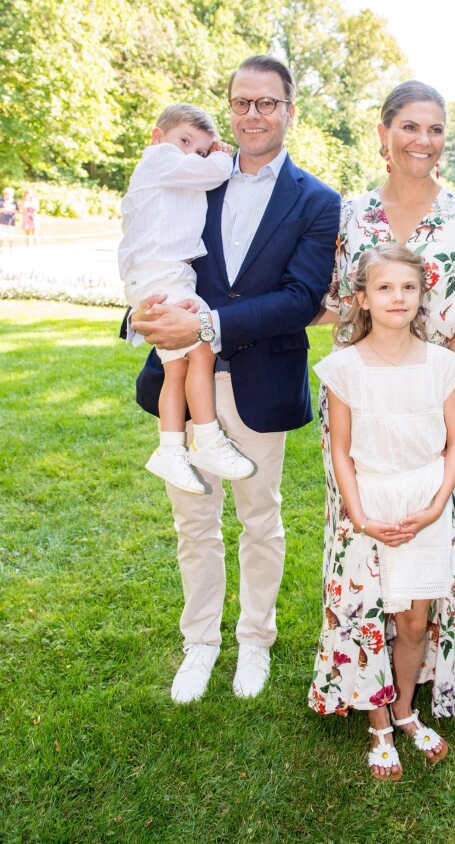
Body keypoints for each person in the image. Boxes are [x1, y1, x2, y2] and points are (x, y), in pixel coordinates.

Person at [129, 56, 341, 702]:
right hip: (182, 380)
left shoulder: (316, 199)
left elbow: (304, 296)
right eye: (242, 102)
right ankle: (200, 643)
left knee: (258, 516)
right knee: (193, 520)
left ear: (289, 111)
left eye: (268, 103)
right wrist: (139, 314)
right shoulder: (199, 175)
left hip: (259, 379)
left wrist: (209, 327)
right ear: (230, 108)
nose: (254, 114)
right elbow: (152, 248)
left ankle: (255, 640)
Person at [308, 81, 455, 745]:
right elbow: (330, 299)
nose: (423, 140)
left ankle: (415, 682)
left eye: (435, 128)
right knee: (363, 545)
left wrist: (442, 398)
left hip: (429, 406)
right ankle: (365, 688)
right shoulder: (349, 215)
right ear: (383, 133)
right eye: (409, 126)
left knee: (421, 540)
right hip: (360, 406)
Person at [312, 243, 455, 779]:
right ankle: (378, 721)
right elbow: (340, 450)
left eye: (407, 287)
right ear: (362, 298)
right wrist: (357, 516)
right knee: (368, 618)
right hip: (369, 506)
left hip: (424, 504)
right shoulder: (344, 368)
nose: (397, 297)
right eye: (384, 287)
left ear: (422, 295)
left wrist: (435, 506)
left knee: (412, 619)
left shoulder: (443, 364)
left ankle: (404, 708)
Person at [119, 103, 255, 495]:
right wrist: (218, 154)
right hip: (160, 271)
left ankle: (171, 449)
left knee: (179, 366)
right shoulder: (160, 158)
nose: (190, 154)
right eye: (184, 141)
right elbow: (212, 173)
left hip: (166, 272)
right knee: (201, 350)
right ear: (157, 136)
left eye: (198, 149)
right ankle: (207, 440)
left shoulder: (169, 172)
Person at [0, 187, 18, 251]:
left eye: (8, 193)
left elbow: (17, 211)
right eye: (5, 193)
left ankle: (11, 249)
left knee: (11, 237)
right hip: (2, 221)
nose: (6, 195)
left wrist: (11, 211)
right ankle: (1, 249)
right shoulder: (1, 200)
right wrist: (4, 210)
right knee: (1, 236)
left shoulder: (14, 202)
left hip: (11, 222)